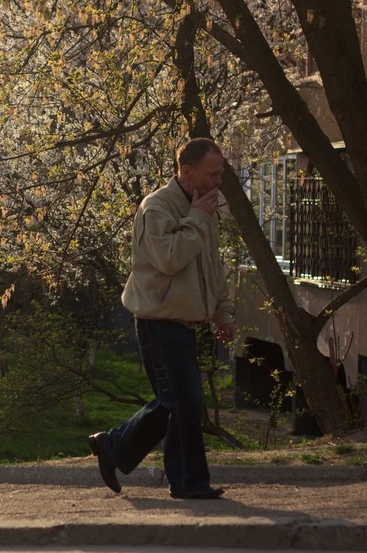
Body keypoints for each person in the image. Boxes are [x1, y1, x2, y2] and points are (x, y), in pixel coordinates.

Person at [88, 137, 236, 500]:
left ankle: (115, 446)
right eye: (212, 174)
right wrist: (197, 219)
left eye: (221, 174)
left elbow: (212, 267)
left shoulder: (203, 207)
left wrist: (223, 313)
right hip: (158, 321)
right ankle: (187, 482)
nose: (219, 182)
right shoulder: (157, 208)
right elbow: (170, 259)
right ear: (186, 171)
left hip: (185, 322)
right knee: (184, 401)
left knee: (178, 402)